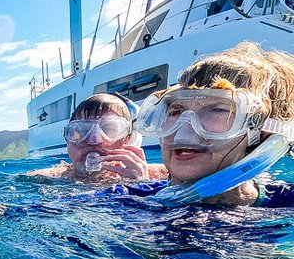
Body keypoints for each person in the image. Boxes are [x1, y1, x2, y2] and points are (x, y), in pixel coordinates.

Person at [110, 42, 294, 206]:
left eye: (217, 110)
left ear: (264, 137)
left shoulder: (286, 204)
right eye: (175, 111)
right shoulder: (123, 200)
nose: (183, 132)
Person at [28, 93, 166, 183]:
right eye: (81, 131)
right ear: (67, 139)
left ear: (127, 138)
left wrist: (141, 185)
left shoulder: (162, 175)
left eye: (110, 130)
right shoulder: (42, 179)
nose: (94, 140)